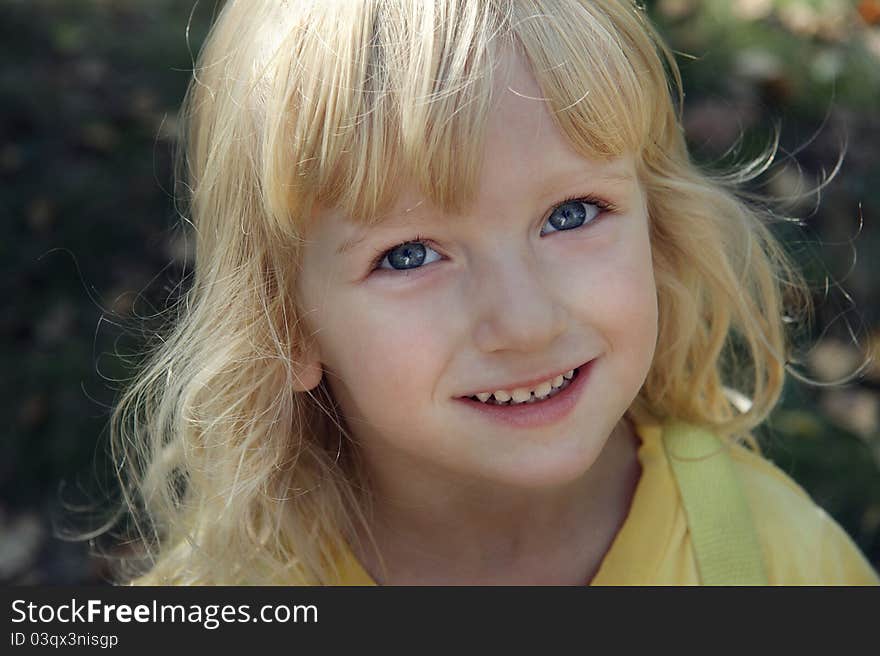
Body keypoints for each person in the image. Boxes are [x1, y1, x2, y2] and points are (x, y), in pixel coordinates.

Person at [110, 0, 878, 585]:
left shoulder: (773, 564)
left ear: (659, 229)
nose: (526, 323)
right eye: (410, 255)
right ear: (286, 322)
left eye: (570, 215)